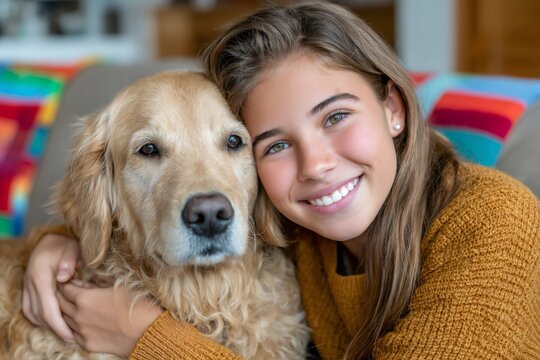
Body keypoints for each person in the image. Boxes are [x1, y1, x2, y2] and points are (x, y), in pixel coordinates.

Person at [23, 1, 540, 359]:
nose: (314, 165)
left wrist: (144, 336)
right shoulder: (295, 224)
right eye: (273, 144)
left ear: (393, 110)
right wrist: (58, 243)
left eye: (336, 116)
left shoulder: (496, 223)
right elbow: (109, 215)